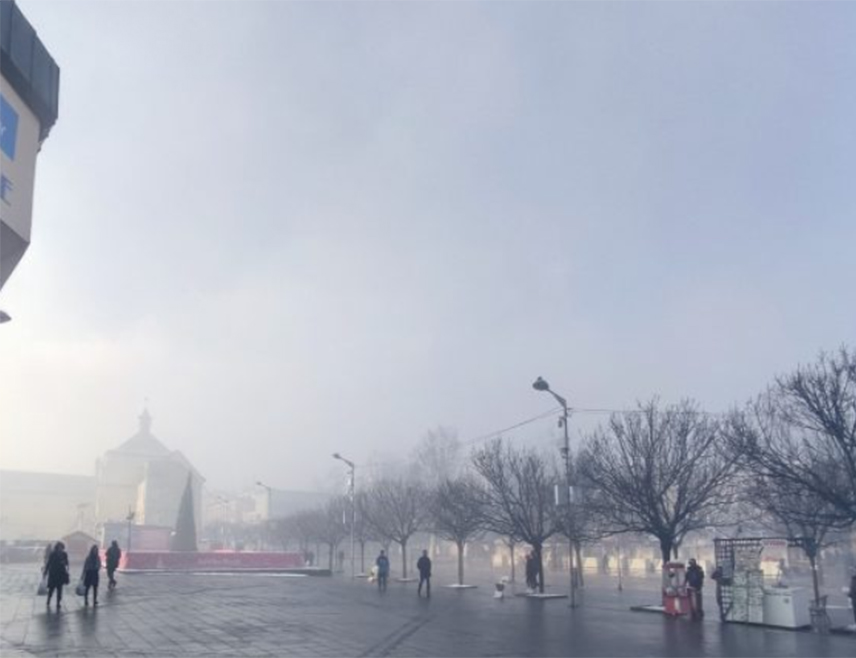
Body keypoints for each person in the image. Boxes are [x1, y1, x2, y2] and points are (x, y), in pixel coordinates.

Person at [43, 542, 69, 611]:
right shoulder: (53, 554)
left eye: (61, 547)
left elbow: (67, 563)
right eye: (59, 547)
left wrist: (64, 562)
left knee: (60, 589)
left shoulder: (64, 554)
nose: (60, 549)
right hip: (53, 573)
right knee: (51, 588)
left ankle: (58, 603)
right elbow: (49, 563)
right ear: (57, 547)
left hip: (61, 573)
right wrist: (45, 571)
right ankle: (49, 599)